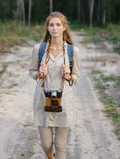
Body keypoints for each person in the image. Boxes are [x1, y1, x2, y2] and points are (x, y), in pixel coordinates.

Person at [29, 12, 81, 159]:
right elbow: (31, 71)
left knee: (60, 145)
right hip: (42, 101)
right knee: (47, 145)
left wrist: (69, 75)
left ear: (64, 27)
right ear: (48, 28)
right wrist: (39, 74)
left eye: (58, 24)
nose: (55, 28)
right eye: (51, 25)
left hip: (64, 102)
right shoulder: (38, 49)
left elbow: (77, 77)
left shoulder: (72, 51)